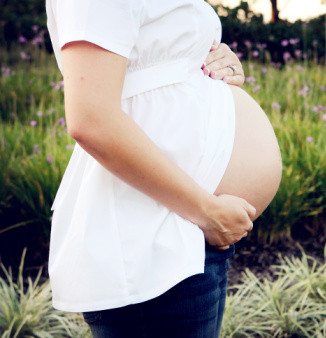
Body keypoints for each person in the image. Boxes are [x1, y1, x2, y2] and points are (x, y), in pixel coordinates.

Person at [45, 0, 283, 337]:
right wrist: (208, 211)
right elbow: (91, 118)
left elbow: (155, 68)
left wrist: (217, 66)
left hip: (184, 238)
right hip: (157, 245)